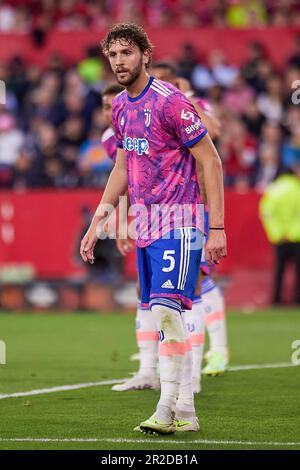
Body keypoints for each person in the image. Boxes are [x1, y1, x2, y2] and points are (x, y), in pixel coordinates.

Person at [80, 23, 226, 435]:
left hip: (179, 221)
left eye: (126, 53)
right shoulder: (122, 107)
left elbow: (210, 160)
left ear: (145, 54)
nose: (118, 62)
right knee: (162, 313)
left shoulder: (171, 101)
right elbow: (123, 165)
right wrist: (99, 220)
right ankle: (187, 411)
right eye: (112, 55)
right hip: (146, 223)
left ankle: (166, 408)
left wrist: (216, 227)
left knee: (165, 311)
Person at [259, 166, 300, 305]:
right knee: (298, 271)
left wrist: (277, 233)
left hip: (279, 238)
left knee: (279, 271)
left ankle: (276, 300)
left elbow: (267, 213)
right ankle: (297, 301)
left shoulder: (273, 190)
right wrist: (293, 232)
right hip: (296, 237)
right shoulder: (297, 189)